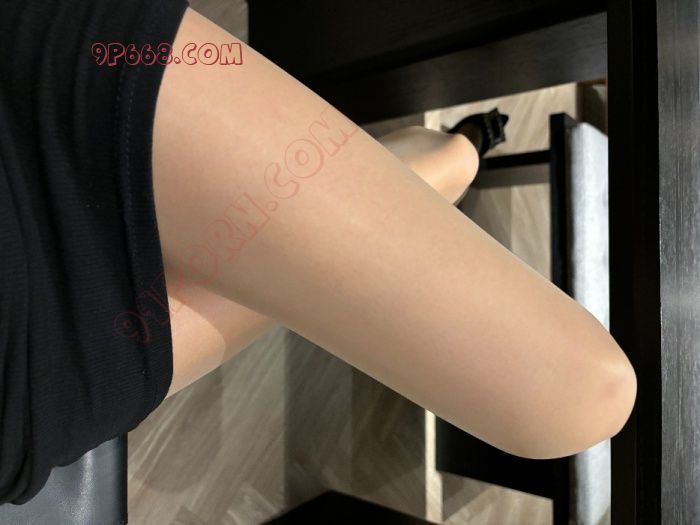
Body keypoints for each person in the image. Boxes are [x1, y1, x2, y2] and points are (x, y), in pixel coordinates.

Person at [0, 0, 636, 504]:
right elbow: (583, 392)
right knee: (585, 397)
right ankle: (456, 154)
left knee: (587, 394)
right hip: (31, 368)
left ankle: (456, 153)